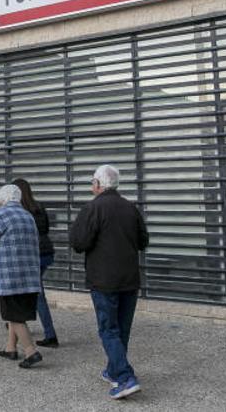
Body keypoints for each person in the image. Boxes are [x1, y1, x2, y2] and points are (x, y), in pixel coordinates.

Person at [69, 165, 149, 400]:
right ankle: (114, 370)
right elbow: (144, 240)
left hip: (103, 280)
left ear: (97, 184)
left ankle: (125, 377)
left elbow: (78, 242)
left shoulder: (92, 208)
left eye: (91, 183)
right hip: (129, 279)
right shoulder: (130, 208)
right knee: (121, 329)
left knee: (108, 329)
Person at [0, 184, 44, 369]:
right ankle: (10, 349)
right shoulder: (28, 216)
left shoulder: (1, 214)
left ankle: (31, 351)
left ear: (2, 199)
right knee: (14, 313)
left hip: (9, 277)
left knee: (14, 316)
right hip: (29, 275)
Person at [12, 178, 59, 348]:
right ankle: (18, 323)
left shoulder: (21, 211)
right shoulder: (39, 206)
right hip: (47, 253)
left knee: (37, 294)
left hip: (32, 256)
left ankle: (50, 334)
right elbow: (46, 229)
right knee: (30, 290)